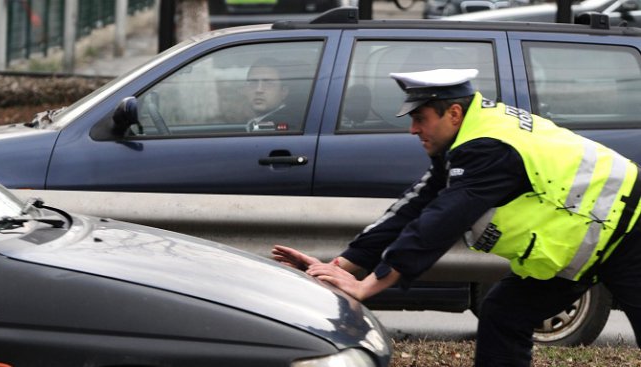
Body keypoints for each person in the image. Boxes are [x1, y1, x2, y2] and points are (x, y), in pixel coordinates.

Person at [272, 68, 641, 366]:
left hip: (631, 231)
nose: (413, 129)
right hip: (587, 242)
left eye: (420, 118)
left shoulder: (488, 149)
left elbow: (440, 221)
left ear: (453, 113)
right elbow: (416, 205)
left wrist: (372, 285)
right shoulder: (469, 137)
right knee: (503, 312)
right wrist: (345, 264)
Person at [243, 58, 294, 132]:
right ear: (245, 89)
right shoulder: (257, 123)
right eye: (253, 83)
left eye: (268, 84)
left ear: (283, 92)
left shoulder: (283, 126)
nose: (258, 90)